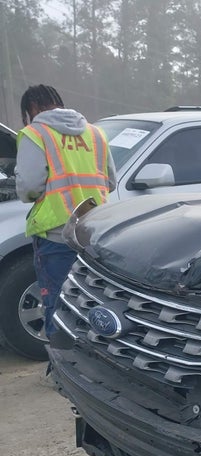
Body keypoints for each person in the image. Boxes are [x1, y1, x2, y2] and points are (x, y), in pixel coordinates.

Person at [15, 85, 116, 342]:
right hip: (95, 233)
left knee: (58, 304)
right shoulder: (95, 133)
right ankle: (91, 366)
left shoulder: (35, 133)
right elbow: (110, 182)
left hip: (56, 235)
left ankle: (63, 371)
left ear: (32, 109)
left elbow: (28, 188)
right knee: (92, 303)